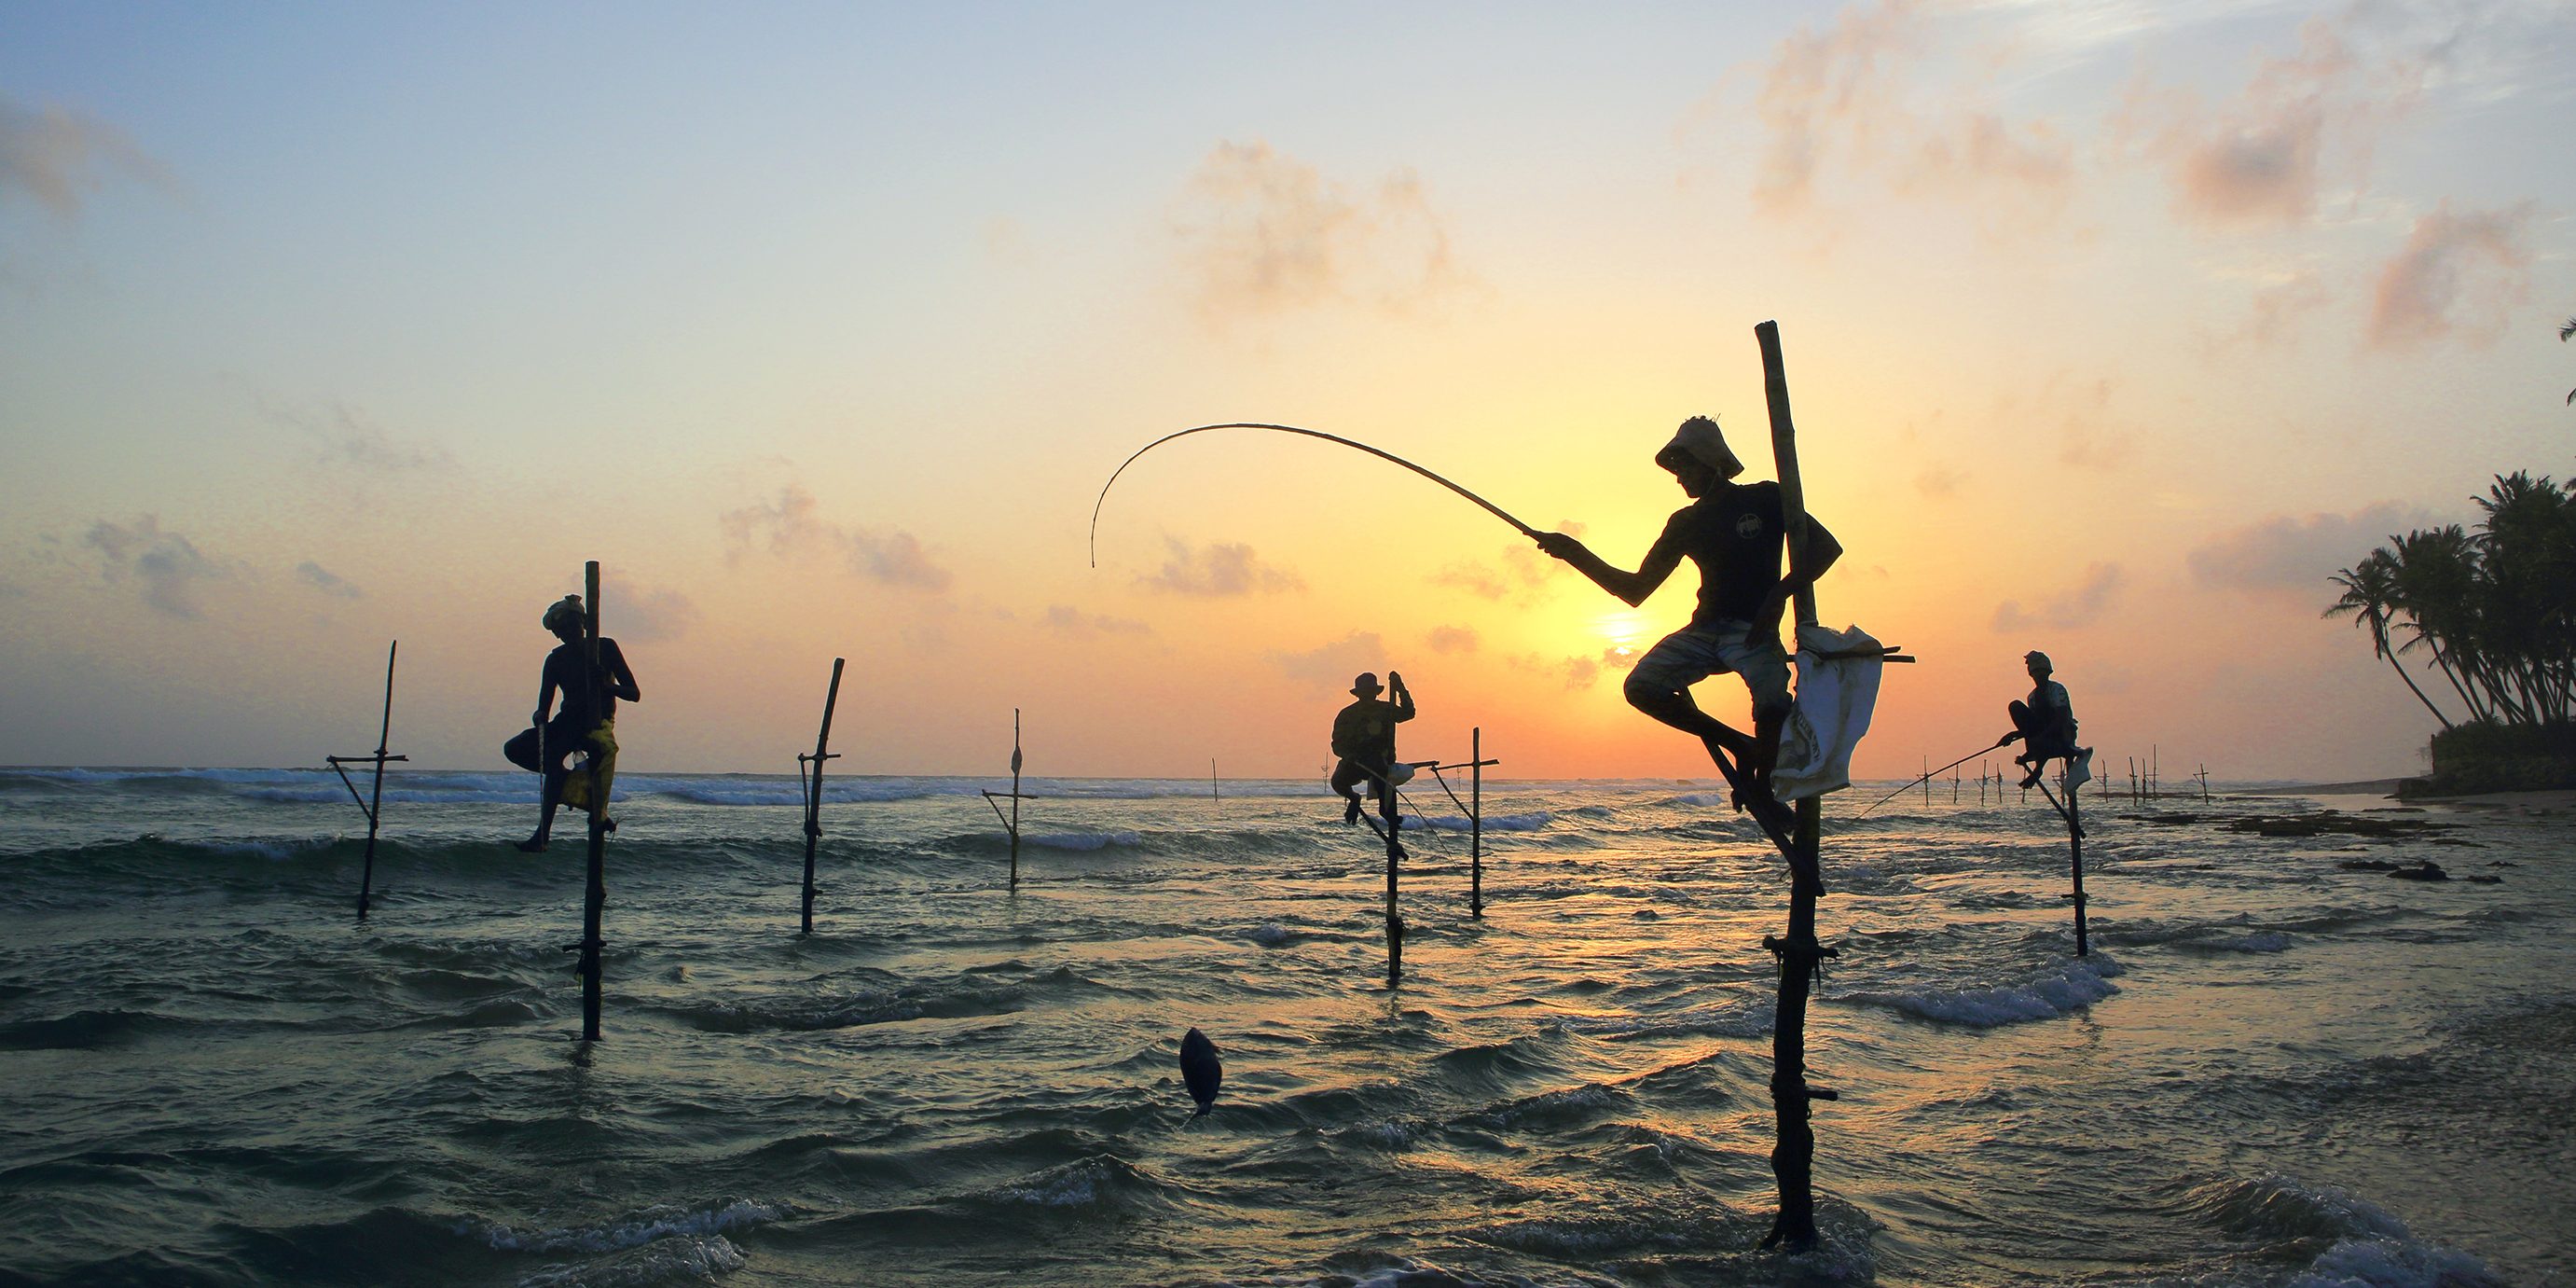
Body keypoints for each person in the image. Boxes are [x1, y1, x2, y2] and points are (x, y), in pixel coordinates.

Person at [1535, 415, 1839, 797]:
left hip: (1751, 632)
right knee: (1641, 688)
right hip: (1703, 631)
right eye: (1677, 470)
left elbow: (1828, 549)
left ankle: (1763, 785)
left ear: (1712, 463)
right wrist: (1573, 553)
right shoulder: (1684, 522)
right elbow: (1635, 589)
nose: (1680, 478)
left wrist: (1778, 595)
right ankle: (1741, 745)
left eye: (1686, 467)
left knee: (1772, 698)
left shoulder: (1764, 498)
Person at [503, 593, 640, 852]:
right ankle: (567, 782)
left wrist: (606, 686)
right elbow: (543, 705)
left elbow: (634, 693)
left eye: (570, 626)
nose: (566, 633)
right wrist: (540, 716)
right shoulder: (555, 659)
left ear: (582, 623)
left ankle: (544, 834)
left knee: (556, 756)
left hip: (596, 723)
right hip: (566, 722)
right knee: (515, 748)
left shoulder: (606, 647)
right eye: (560, 630)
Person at [1328, 671, 1414, 824]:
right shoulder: (1347, 714)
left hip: (1380, 760)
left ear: (1375, 693)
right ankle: (1354, 798)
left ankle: (1386, 811)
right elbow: (1337, 744)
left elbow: (1408, 713)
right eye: (1365, 692)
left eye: (1370, 692)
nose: (1368, 695)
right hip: (1355, 761)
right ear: (1358, 694)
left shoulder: (1385, 709)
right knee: (1337, 782)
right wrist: (1349, 755)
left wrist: (1400, 687)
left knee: (1382, 773)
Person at [2001, 650, 2085, 789]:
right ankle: (2036, 759)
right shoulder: (2032, 697)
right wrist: (2013, 735)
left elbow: (2061, 720)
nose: (2038, 677)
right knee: (2015, 706)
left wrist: (2041, 737)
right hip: (2041, 738)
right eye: (2035, 673)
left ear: (2047, 672)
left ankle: (2038, 769)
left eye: (2041, 673)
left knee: (2043, 735)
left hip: (2062, 735)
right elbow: (2032, 728)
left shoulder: (2056, 689)